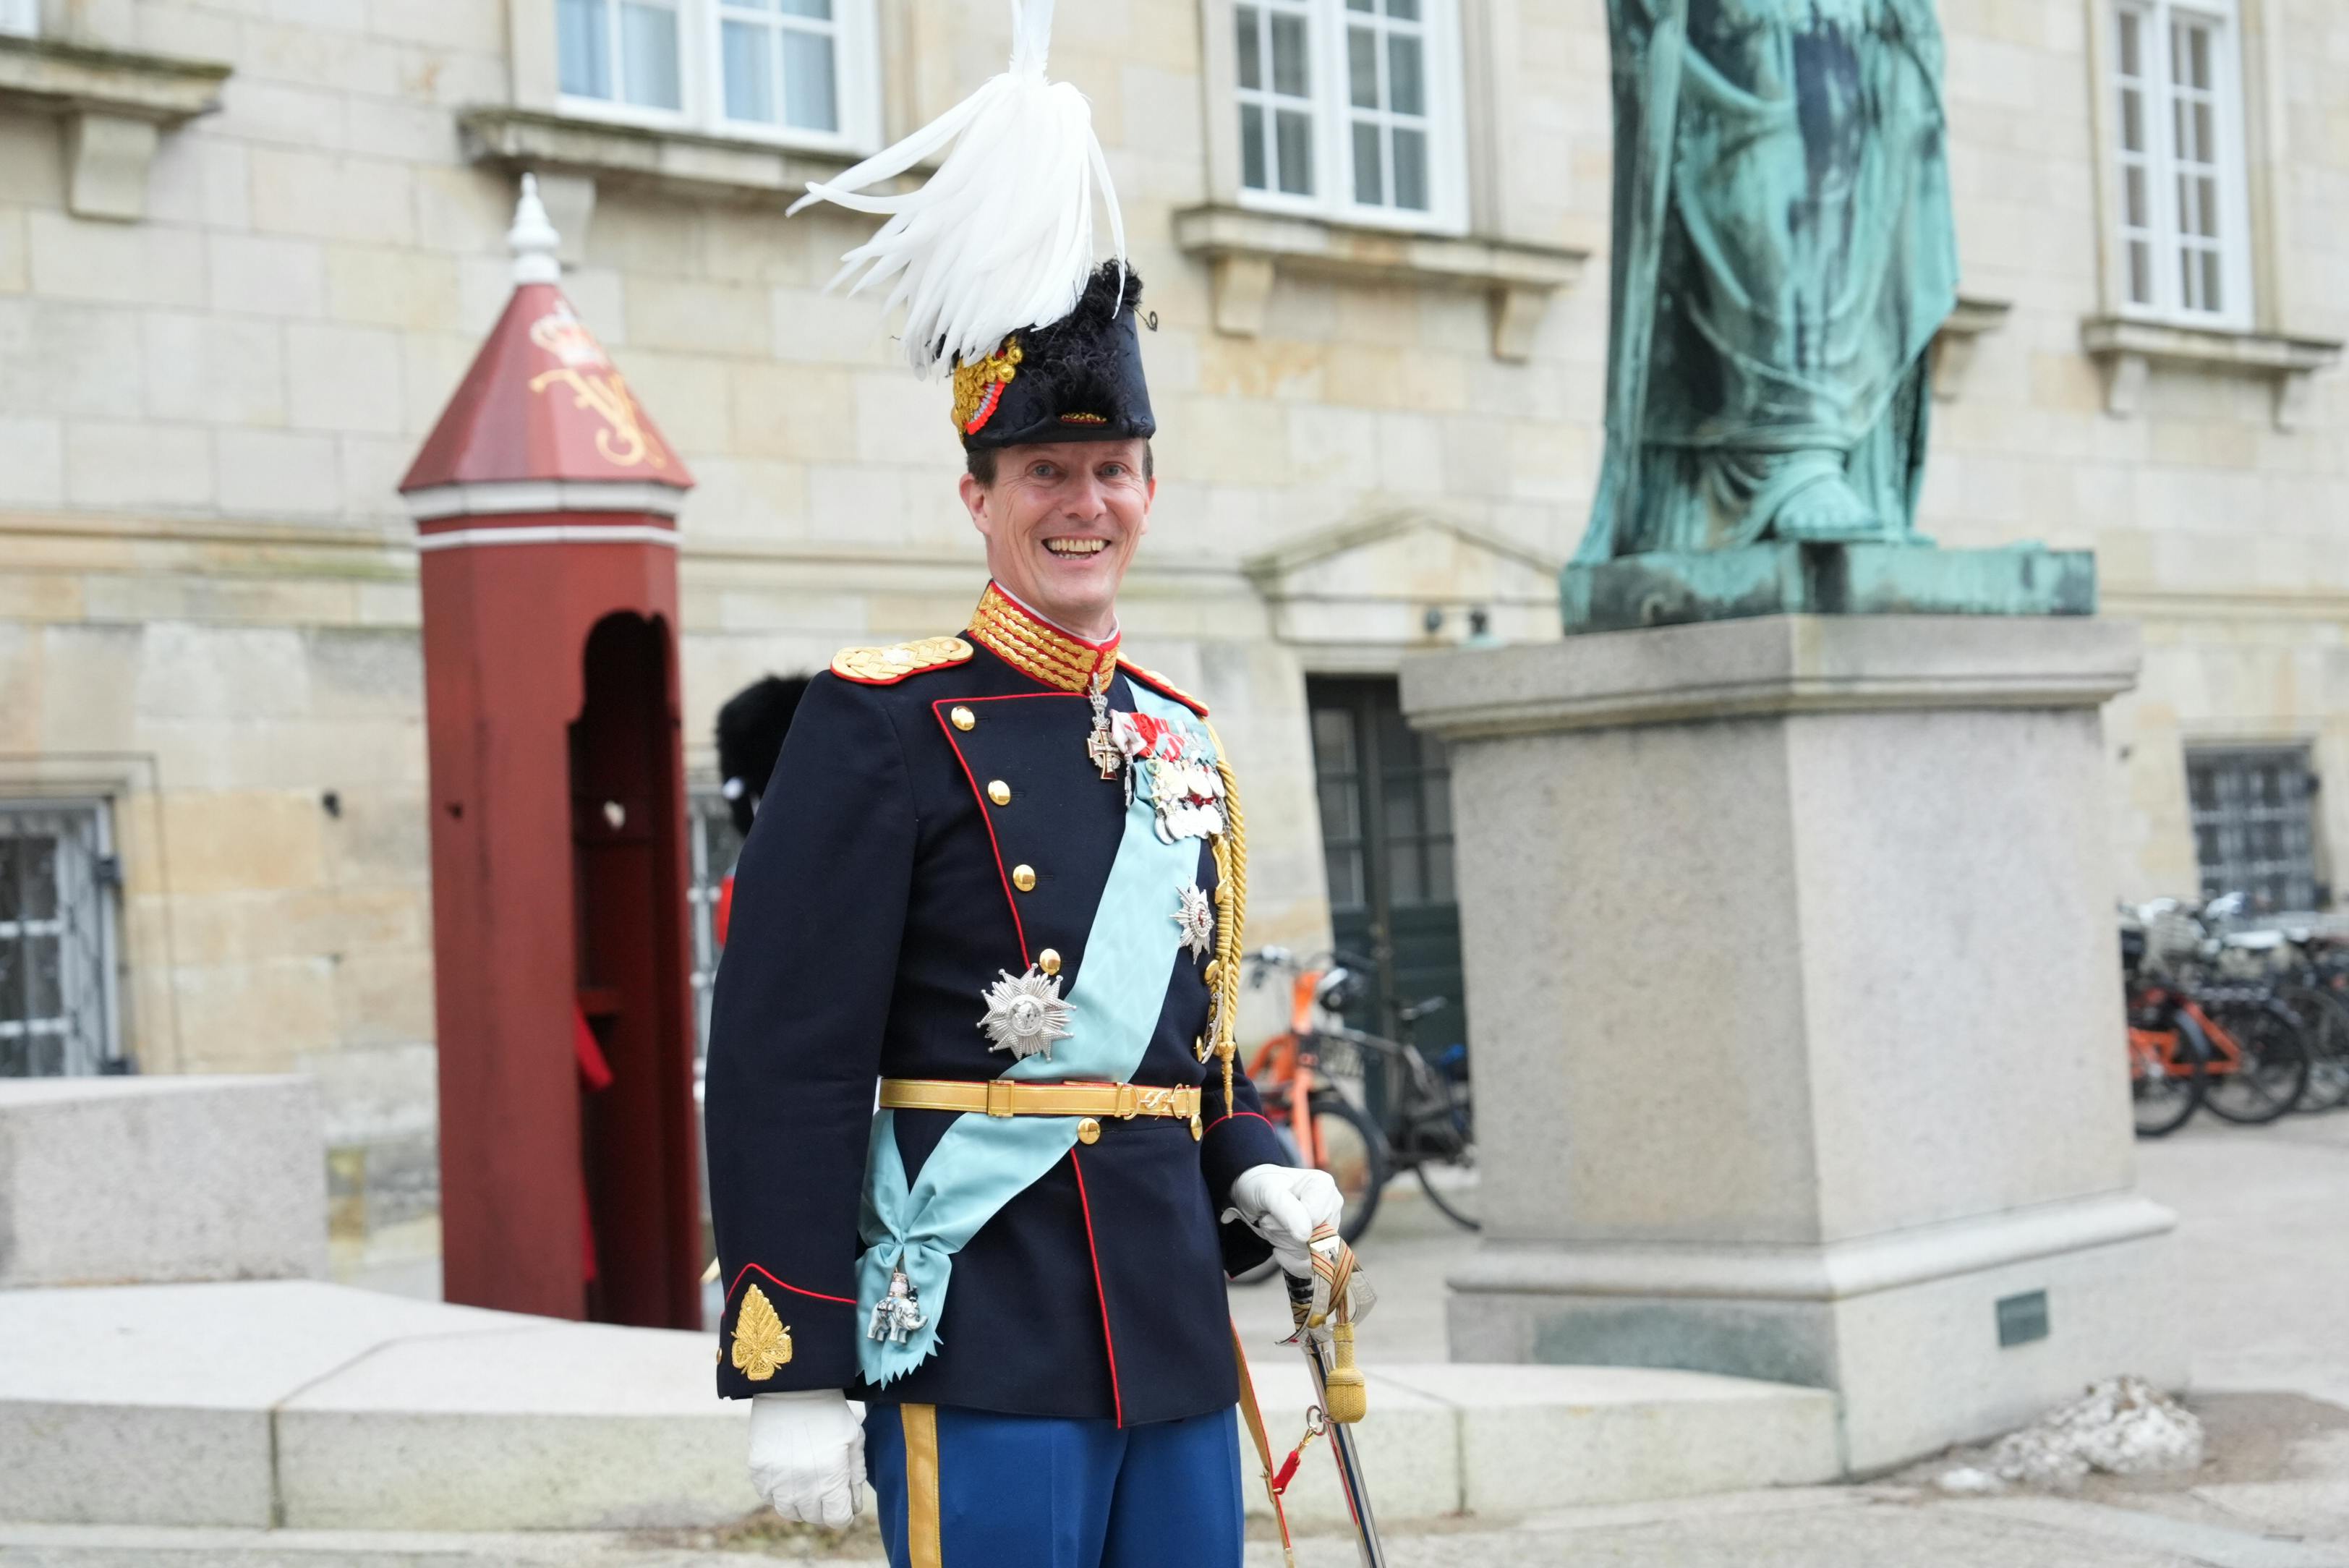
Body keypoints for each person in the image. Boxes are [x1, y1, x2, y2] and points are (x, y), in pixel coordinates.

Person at [700, 7, 1343, 1565]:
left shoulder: (1181, 737)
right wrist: (792, 1349)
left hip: (1170, 1336)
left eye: (1111, 467)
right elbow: (783, 1062)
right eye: (1045, 474)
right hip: (981, 1329)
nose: (1084, 502)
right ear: (976, 493)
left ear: (1149, 487)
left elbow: (1182, 1066)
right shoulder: (881, 722)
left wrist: (1259, 1169)